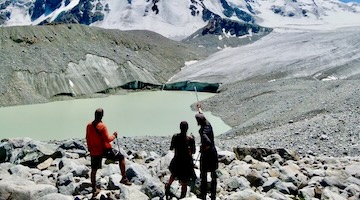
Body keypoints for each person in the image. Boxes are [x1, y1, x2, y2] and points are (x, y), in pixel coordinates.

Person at [86, 108, 132, 197]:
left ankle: (94, 189)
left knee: (94, 170)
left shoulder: (89, 125)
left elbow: (87, 137)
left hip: (94, 151)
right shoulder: (102, 126)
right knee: (121, 157)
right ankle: (124, 178)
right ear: (102, 115)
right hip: (104, 150)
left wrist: (89, 148)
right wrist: (114, 135)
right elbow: (107, 139)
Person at [165, 121, 196, 199]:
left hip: (177, 160)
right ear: (187, 129)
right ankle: (182, 196)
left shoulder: (175, 136)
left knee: (173, 174)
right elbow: (193, 151)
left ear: (180, 128)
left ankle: (168, 186)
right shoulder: (190, 139)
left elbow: (171, 147)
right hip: (186, 163)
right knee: (185, 181)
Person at [195, 103, 218, 200]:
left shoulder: (203, 131)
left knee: (203, 174)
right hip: (213, 152)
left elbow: (207, 143)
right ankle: (213, 195)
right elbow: (203, 116)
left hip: (207, 154)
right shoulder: (208, 124)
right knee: (213, 174)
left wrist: (202, 149)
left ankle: (203, 195)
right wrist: (199, 109)